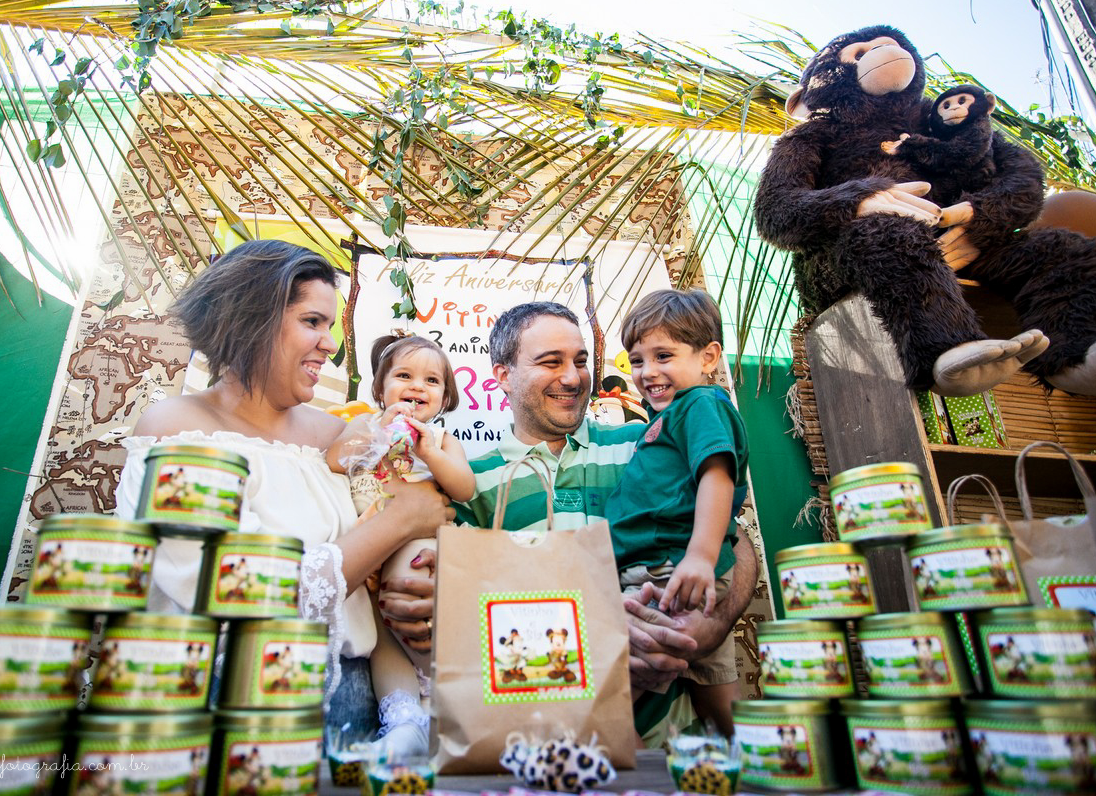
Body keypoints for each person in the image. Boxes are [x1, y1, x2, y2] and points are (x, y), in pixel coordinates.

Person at [113, 239, 453, 734]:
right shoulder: (177, 428)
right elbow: (241, 592)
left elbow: (372, 579)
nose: (330, 344)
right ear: (250, 318)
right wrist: (400, 519)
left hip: (360, 704)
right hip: (228, 711)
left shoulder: (338, 435)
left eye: (331, 326)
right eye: (312, 322)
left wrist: (416, 590)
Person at [383, 301, 758, 747]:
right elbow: (462, 614)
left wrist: (704, 627)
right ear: (502, 375)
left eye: (580, 361)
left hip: (675, 746)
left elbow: (738, 542)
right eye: (551, 362)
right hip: (538, 742)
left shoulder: (647, 444)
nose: (572, 377)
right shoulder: (468, 481)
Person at [604, 289, 748, 736]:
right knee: (716, 691)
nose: (648, 372)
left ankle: (585, 750)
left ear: (708, 357)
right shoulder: (666, 415)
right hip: (676, 567)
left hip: (670, 570)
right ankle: (749, 762)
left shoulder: (701, 404)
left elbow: (717, 475)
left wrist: (700, 557)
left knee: (630, 679)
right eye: (638, 360)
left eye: (663, 355)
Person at [326, 333, 474, 754]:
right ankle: (404, 717)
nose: (416, 387)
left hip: (416, 543)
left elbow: (464, 488)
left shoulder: (443, 441)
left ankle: (442, 698)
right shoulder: (363, 425)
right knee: (379, 639)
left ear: (445, 399)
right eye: (404, 376)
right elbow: (335, 459)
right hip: (367, 549)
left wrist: (431, 454)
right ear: (380, 389)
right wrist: (378, 435)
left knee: (409, 613)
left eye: (431, 381)